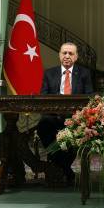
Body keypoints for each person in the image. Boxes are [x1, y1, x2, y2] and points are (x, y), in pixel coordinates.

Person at [38, 42, 93, 183]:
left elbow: (89, 97)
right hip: (53, 116)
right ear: (59, 55)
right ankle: (64, 167)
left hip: (75, 118)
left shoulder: (84, 74)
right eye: (64, 53)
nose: (67, 56)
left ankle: (59, 167)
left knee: (77, 130)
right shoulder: (49, 73)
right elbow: (43, 97)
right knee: (44, 125)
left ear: (76, 57)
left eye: (71, 53)